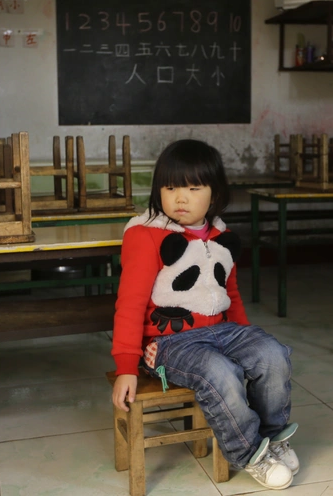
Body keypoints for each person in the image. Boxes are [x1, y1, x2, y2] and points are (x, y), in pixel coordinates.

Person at [110, 139, 298, 490]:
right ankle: (249, 453)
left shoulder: (221, 234)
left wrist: (246, 340)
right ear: (157, 191)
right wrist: (126, 366)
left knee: (272, 354)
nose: (180, 198)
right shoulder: (145, 235)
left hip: (222, 332)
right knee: (220, 371)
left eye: (193, 188)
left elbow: (231, 294)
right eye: (170, 188)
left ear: (214, 194)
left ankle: (273, 439)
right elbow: (130, 303)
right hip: (170, 343)